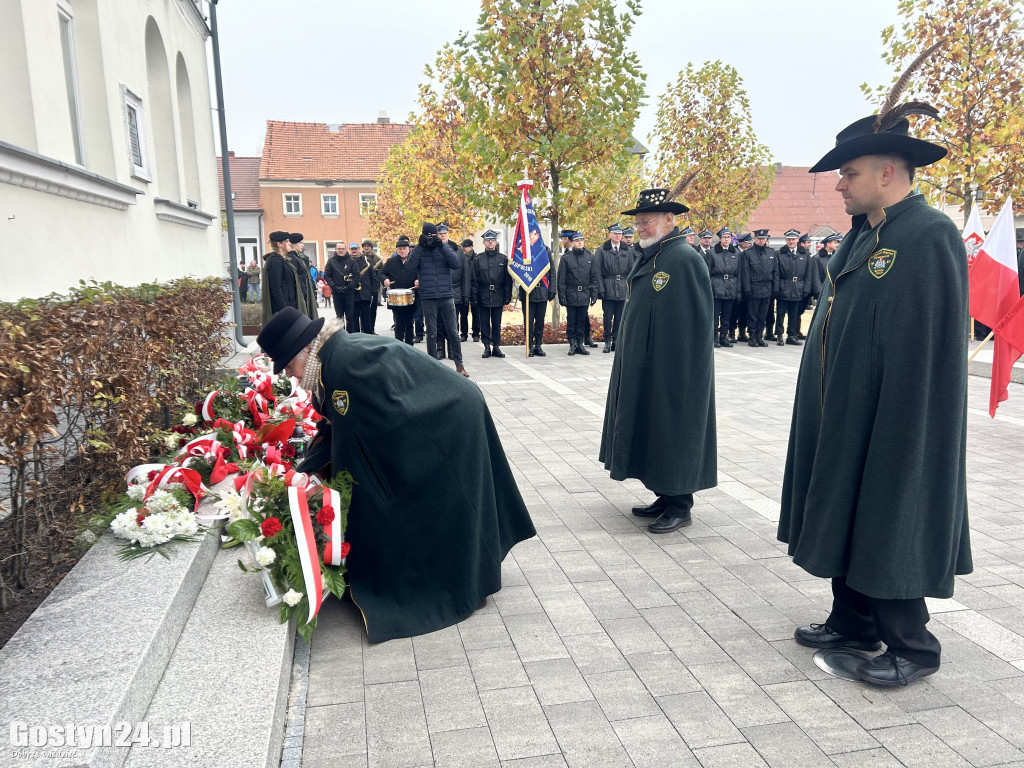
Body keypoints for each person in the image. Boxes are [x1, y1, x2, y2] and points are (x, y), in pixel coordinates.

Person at [778, 95, 972, 688]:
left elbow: (928, 354)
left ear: (887, 172)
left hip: (895, 418)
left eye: (850, 173)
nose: (840, 184)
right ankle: (853, 620)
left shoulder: (928, 235)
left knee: (891, 513)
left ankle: (912, 647)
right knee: (850, 509)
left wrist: (901, 427)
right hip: (848, 411)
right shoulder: (865, 234)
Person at [255, 307, 536, 643]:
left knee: (429, 498)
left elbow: (352, 448)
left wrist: (327, 490)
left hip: (450, 419)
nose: (294, 378)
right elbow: (336, 431)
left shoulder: (343, 365)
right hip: (439, 413)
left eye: (289, 367)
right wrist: (303, 474)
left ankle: (456, 578)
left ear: (305, 351)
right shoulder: (332, 358)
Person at [600, 188, 717, 533]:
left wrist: (682, 372)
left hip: (673, 370)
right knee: (653, 428)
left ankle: (681, 504)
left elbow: (697, 323)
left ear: (669, 219)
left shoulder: (684, 258)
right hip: (647, 366)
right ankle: (664, 495)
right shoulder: (653, 255)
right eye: (637, 222)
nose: (640, 228)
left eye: (646, 221)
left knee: (672, 429)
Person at [410, 223, 468, 376]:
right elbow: (409, 267)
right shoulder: (419, 250)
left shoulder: (444, 247)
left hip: (446, 295)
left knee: (453, 332)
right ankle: (432, 367)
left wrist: (441, 245)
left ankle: (459, 365)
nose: (430, 239)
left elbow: (456, 264)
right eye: (427, 236)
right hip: (428, 296)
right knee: (432, 333)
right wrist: (419, 246)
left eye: (432, 236)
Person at [557, 232, 600, 356]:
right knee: (572, 320)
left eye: (581, 240)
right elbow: (561, 280)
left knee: (581, 320)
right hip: (571, 293)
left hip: (584, 294)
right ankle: (572, 344)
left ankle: (580, 344)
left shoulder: (590, 258)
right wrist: (562, 296)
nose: (580, 242)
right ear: (572, 242)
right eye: (577, 240)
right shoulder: (566, 258)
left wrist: (594, 294)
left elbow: (594, 278)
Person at [471, 230, 512, 358]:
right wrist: (474, 297)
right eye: (488, 240)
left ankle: (496, 346)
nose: (490, 242)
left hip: (498, 294)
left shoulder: (503, 259)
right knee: (484, 322)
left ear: (496, 242)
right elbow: (473, 280)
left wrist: (507, 297)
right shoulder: (478, 259)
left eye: (493, 240)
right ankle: (486, 347)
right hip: (483, 294)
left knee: (496, 322)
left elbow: (508, 280)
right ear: (484, 242)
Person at [594, 224, 634, 353]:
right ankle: (607, 341)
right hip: (608, 286)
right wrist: (601, 288)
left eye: (620, 234)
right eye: (615, 233)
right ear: (610, 234)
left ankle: (616, 341)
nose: (618, 236)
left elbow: (631, 270)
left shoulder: (627, 251)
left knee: (619, 316)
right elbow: (597, 272)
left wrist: (629, 287)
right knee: (607, 316)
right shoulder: (602, 250)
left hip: (622, 286)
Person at [774, 230, 816, 345]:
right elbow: (776, 274)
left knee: (794, 313)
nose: (791, 241)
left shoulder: (805, 254)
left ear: (797, 240)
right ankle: (779, 335)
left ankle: (792, 335)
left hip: (798, 287)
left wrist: (806, 288)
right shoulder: (779, 253)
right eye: (788, 239)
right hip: (784, 286)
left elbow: (808, 274)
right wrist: (776, 289)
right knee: (781, 313)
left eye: (793, 239)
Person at [741, 229, 778, 347]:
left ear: (766, 239)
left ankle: (759, 335)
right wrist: (747, 289)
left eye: (763, 239)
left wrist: (775, 288)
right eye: (758, 238)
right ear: (754, 239)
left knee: (763, 314)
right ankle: (752, 336)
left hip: (767, 287)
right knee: (753, 313)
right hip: (754, 287)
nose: (761, 241)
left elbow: (775, 272)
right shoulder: (748, 253)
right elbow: (745, 273)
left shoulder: (771, 253)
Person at [261, 231, 308, 325]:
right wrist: (285, 310)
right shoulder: (275, 261)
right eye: (286, 241)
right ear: (279, 244)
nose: (290, 243)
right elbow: (276, 288)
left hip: (291, 305)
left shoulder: (284, 260)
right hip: (284, 308)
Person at [708, 228, 741, 348]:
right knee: (715, 315)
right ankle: (714, 338)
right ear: (720, 239)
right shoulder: (712, 252)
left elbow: (739, 273)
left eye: (728, 237)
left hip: (731, 286)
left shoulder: (736, 253)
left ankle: (724, 336)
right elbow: (708, 271)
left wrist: (738, 290)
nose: (726, 239)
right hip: (717, 285)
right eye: (724, 237)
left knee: (727, 315)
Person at [382, 236, 417, 344]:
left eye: (404, 248)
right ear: (397, 250)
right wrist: (385, 279)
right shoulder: (391, 261)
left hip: (411, 295)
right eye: (400, 249)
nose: (402, 251)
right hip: (396, 297)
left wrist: (418, 280)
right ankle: (399, 344)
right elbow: (381, 273)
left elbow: (422, 273)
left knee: (409, 322)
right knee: (398, 323)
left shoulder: (415, 261)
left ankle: (409, 345)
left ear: (408, 249)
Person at [521, 259, 556, 358]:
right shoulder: (524, 248)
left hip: (542, 291)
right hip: (528, 292)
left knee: (540, 321)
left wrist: (552, 290)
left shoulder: (545, 250)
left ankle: (538, 345)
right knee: (528, 322)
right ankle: (530, 346)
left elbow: (552, 271)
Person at [324, 242, 357, 326]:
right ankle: (341, 337)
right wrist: (334, 286)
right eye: (339, 249)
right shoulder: (331, 261)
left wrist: (349, 287)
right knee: (339, 317)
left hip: (349, 292)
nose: (341, 250)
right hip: (336, 293)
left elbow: (357, 276)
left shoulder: (352, 261)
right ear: (335, 249)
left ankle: (350, 337)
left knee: (350, 317)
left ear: (345, 250)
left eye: (343, 249)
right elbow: (327, 276)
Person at [288, 233, 319, 321]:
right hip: (300, 293)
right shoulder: (292, 258)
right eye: (300, 243)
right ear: (293, 244)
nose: (303, 245)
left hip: (304, 291)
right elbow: (298, 278)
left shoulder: (299, 257)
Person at [351, 243, 379, 335]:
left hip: (365, 293)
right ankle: (356, 338)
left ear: (359, 249)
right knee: (354, 319)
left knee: (367, 318)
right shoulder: (348, 261)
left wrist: (374, 292)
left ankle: (368, 335)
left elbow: (373, 277)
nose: (354, 251)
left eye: (355, 249)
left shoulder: (367, 260)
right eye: (352, 249)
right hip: (353, 294)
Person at [730, 233, 753, 342]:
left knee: (745, 311)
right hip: (735, 286)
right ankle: (731, 332)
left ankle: (742, 332)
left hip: (747, 286)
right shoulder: (734, 251)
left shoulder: (749, 253)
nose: (750, 244)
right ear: (743, 243)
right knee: (734, 311)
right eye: (748, 243)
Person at [456, 239, 476, 341]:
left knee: (476, 312)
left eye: (465, 247)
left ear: (470, 247)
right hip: (464, 287)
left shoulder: (475, 258)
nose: (463, 249)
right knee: (463, 312)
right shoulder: (460, 257)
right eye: (462, 247)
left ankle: (476, 333)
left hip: (474, 287)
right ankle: (463, 333)